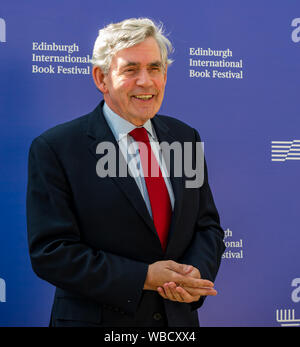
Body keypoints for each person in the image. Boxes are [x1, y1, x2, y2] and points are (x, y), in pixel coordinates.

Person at [26, 17, 225, 327]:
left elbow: (207, 226)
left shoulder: (185, 138)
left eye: (155, 68)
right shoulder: (57, 147)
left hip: (177, 324)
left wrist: (194, 273)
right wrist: (144, 277)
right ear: (101, 78)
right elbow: (52, 252)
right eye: (131, 70)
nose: (146, 81)